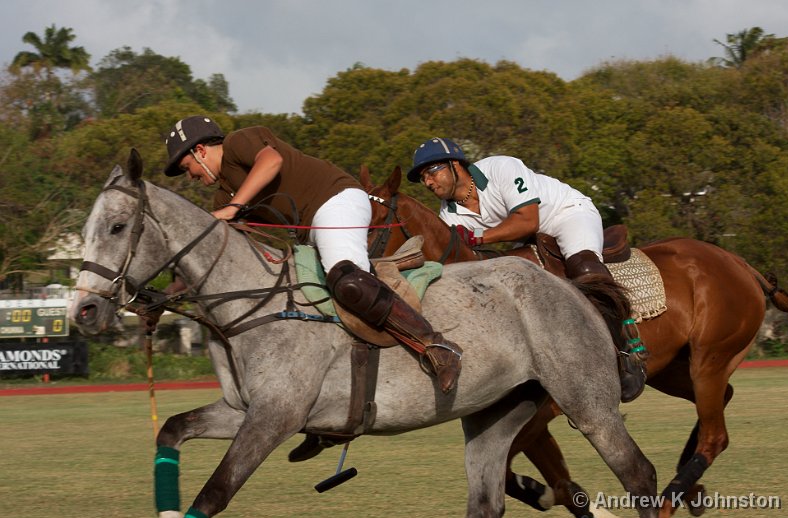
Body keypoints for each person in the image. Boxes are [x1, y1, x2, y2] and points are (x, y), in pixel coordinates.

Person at [162, 117, 463, 459]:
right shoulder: (223, 193)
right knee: (311, 309)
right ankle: (328, 419)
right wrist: (168, 294)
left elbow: (271, 161)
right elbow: (220, 255)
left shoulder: (240, 142)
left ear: (200, 150)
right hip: (309, 235)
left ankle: (436, 346)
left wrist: (233, 209)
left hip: (337, 201)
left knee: (346, 281)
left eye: (187, 167)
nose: (190, 177)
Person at [407, 137, 647, 402]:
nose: (428, 182)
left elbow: (528, 220)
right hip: (525, 239)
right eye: (422, 177)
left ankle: (626, 352)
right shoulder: (448, 216)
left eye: (431, 171)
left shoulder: (501, 168)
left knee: (586, 269)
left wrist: (478, 237)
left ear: (455, 164)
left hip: (566, 214)